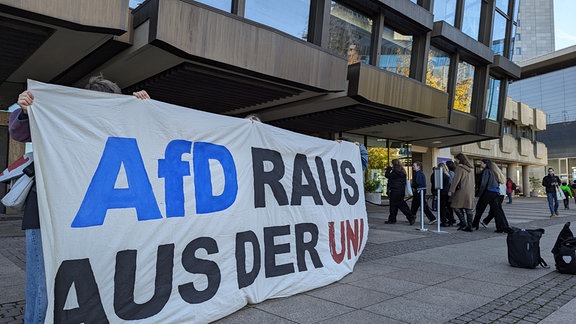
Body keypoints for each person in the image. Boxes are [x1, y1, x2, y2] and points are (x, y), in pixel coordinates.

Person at [9, 75, 150, 324]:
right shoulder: (64, 116)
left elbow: (155, 138)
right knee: (42, 287)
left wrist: (146, 110)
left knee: (77, 284)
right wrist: (25, 109)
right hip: (46, 214)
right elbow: (19, 133)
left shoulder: (116, 125)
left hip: (85, 219)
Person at [472, 159, 510, 233]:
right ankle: (502, 227)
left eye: (481, 163)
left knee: (479, 209)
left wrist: (479, 193)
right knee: (497, 210)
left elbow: (483, 183)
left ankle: (474, 225)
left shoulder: (486, 171)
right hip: (495, 192)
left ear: (485, 164)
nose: (480, 164)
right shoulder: (494, 171)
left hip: (488, 191)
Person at [448, 153, 475, 232]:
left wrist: (451, 190)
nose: (455, 161)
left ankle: (463, 223)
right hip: (469, 191)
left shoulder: (459, 168)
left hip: (461, 191)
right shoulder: (471, 169)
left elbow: (455, 180)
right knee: (468, 208)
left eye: (456, 159)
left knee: (455, 206)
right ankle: (469, 226)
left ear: (459, 160)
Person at [384, 159, 415, 225]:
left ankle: (409, 216)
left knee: (395, 206)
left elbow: (387, 175)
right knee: (400, 205)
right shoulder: (402, 171)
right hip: (401, 191)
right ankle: (409, 217)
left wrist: (389, 168)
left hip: (394, 191)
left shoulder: (395, 172)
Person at [430, 163, 452, 227]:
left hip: (440, 192)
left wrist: (434, 192)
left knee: (441, 207)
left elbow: (433, 183)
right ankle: (450, 219)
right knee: (445, 207)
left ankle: (444, 220)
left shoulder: (435, 174)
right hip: (446, 193)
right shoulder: (446, 175)